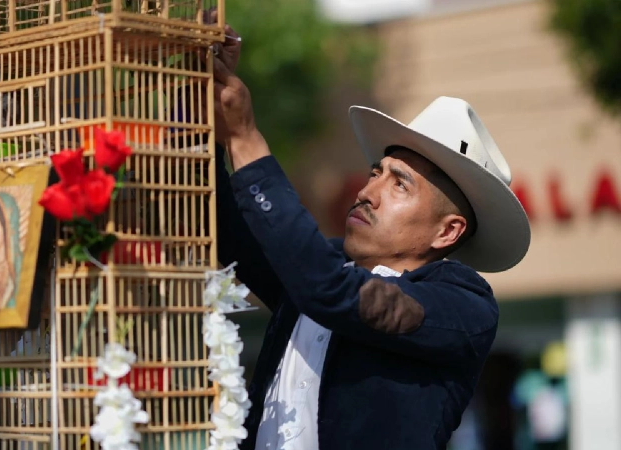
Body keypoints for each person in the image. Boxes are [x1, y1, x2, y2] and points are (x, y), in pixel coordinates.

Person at [211, 24, 531, 450]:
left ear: (447, 231)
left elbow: (330, 290)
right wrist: (200, 98)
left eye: (399, 184)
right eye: (374, 173)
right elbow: (224, 225)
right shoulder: (321, 266)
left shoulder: (464, 305)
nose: (366, 192)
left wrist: (247, 141)